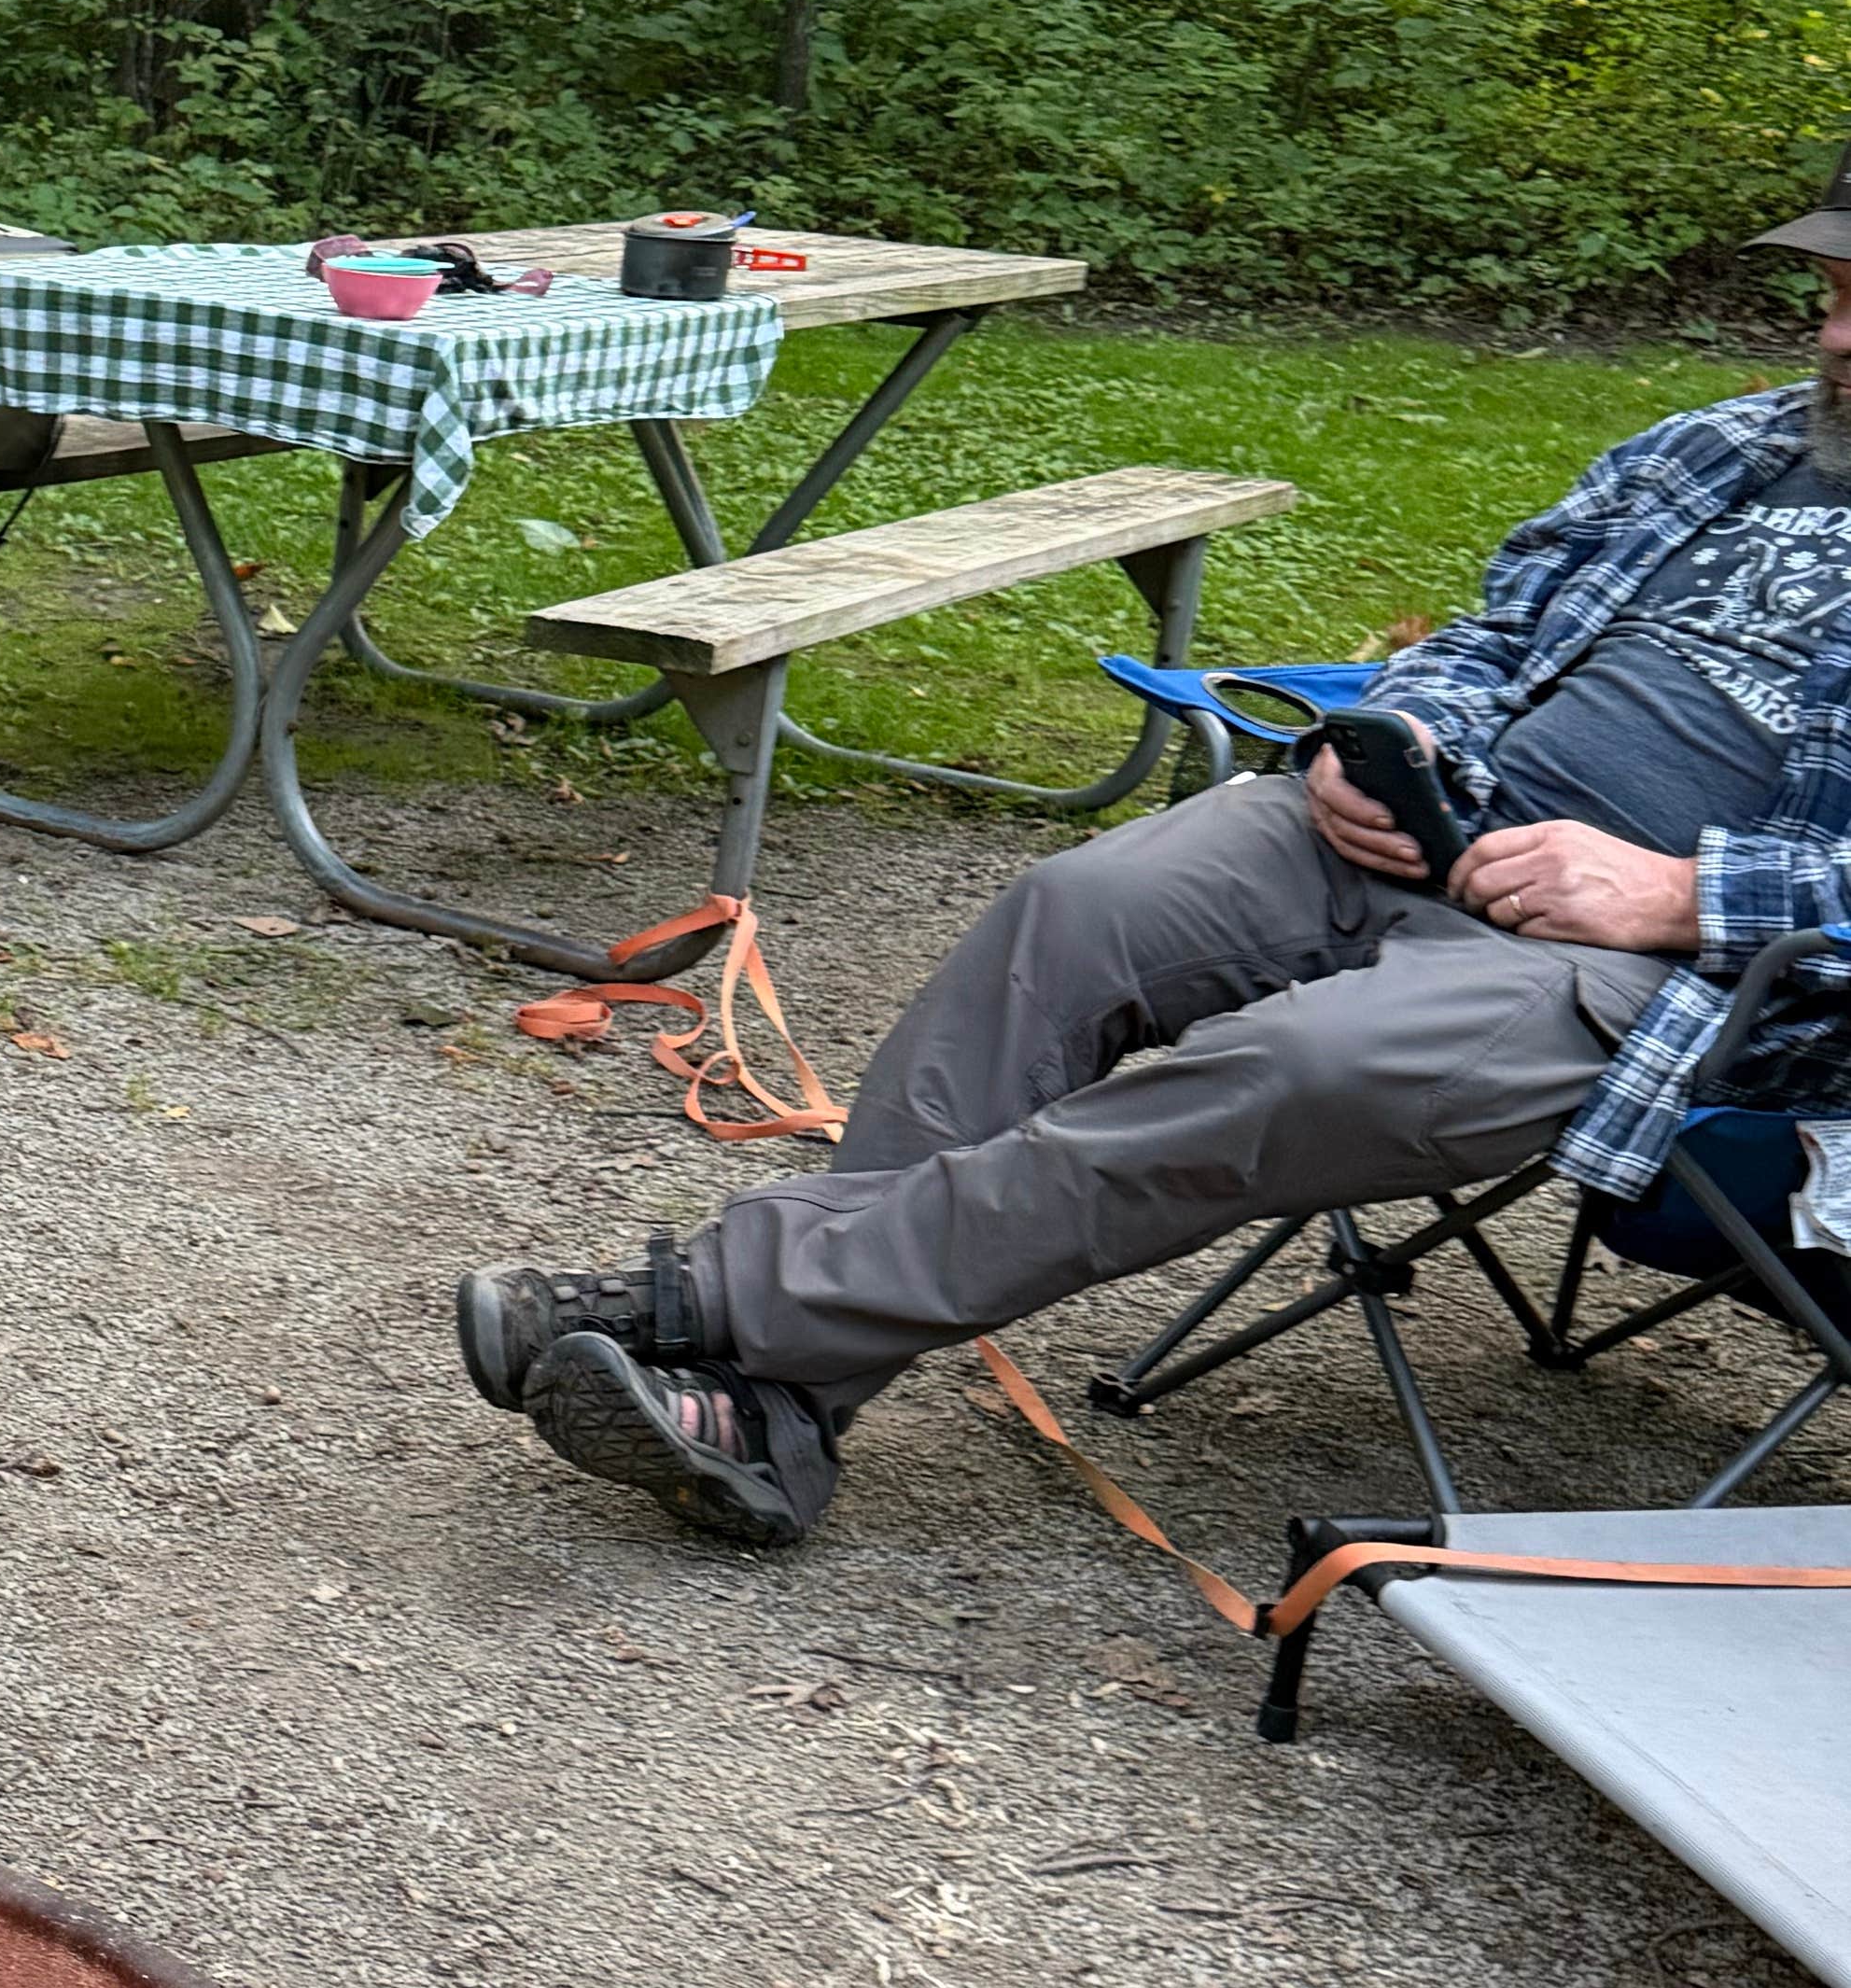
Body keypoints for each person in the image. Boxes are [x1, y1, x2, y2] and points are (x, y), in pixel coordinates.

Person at [456, 196, 1851, 1547]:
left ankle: (700, 1308)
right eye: (1838, 295)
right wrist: (1408, 733)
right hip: (1432, 829)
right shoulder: (1722, 450)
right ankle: (779, 1404)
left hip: (1676, 966)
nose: (1838, 338)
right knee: (1074, 915)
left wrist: (1680, 895)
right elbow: (1502, 628)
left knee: (1303, 1066)